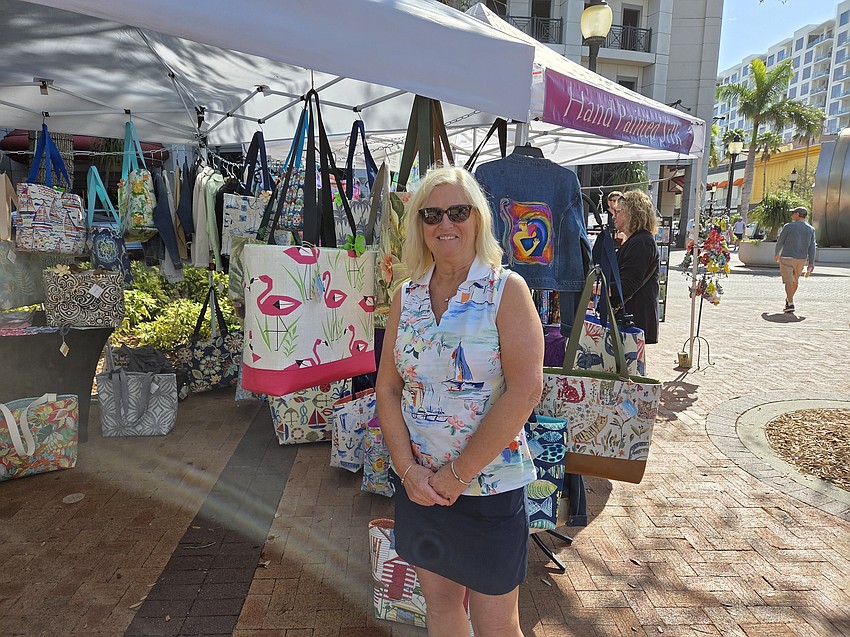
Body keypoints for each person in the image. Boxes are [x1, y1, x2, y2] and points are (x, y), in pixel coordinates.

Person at [376, 166, 543, 636]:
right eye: (431, 214)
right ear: (419, 226)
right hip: (421, 489)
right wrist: (409, 471)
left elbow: (526, 389)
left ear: (478, 219)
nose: (444, 223)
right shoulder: (404, 297)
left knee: (496, 623)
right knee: (443, 609)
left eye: (458, 211)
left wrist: (456, 474)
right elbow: (387, 388)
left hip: (488, 490)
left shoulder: (505, 290)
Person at [612, 190, 660, 344]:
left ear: (631, 213)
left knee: (628, 366)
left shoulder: (642, 242)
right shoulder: (637, 240)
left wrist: (595, 288)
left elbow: (628, 285)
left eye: (618, 212)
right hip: (630, 319)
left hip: (633, 321)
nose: (614, 216)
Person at [774, 206, 816, 313]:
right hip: (801, 259)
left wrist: (776, 253)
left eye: (793, 213)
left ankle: (790, 303)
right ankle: (789, 301)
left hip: (787, 257)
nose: (792, 215)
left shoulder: (788, 226)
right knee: (795, 281)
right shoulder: (811, 229)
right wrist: (811, 262)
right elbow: (812, 247)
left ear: (797, 214)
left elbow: (780, 241)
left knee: (788, 281)